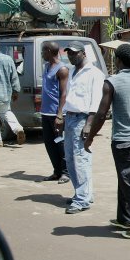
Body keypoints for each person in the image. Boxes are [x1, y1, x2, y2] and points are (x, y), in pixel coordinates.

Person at [86, 44, 130, 240]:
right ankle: (124, 218)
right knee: (126, 178)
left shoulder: (112, 82)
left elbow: (100, 115)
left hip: (123, 141)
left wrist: (90, 137)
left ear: (118, 61)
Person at [63, 41, 105, 214]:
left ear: (83, 53)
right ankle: (83, 193)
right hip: (70, 117)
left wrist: (89, 124)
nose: (71, 56)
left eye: (74, 53)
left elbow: (96, 101)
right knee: (71, 159)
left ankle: (82, 200)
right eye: (69, 53)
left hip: (83, 118)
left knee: (81, 159)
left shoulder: (94, 73)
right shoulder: (72, 71)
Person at [0, 39, 25, 146]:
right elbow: (14, 77)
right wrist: (16, 91)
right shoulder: (8, 59)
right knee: (6, 113)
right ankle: (18, 128)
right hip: (5, 93)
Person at [40, 42, 70, 184]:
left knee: (60, 143)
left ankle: (65, 172)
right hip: (45, 113)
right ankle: (56, 171)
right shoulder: (46, 67)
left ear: (50, 51)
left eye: (43, 51)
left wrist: (59, 114)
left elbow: (63, 94)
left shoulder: (62, 69)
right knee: (50, 144)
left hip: (56, 115)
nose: (42, 54)